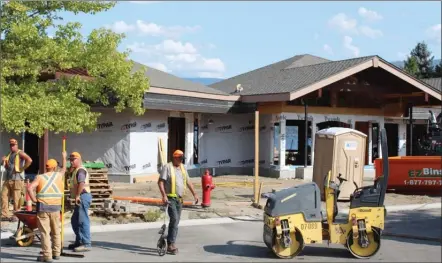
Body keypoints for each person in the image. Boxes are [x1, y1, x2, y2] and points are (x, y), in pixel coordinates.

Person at [27, 152, 67, 262]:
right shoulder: (59, 176)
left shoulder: (40, 177)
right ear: (54, 168)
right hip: (56, 208)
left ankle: (47, 256)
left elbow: (30, 188)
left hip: (43, 208)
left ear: (46, 167)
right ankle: (56, 253)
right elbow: (64, 168)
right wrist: (63, 157)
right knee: (55, 231)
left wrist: (34, 199)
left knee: (44, 233)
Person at [158, 149, 199, 254]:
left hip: (180, 200)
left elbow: (188, 181)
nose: (181, 160)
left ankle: (170, 238)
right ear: (174, 157)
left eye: (182, 158)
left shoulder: (183, 167)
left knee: (175, 222)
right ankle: (171, 244)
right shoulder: (167, 167)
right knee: (174, 219)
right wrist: (164, 196)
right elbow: (160, 182)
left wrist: (195, 194)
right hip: (170, 199)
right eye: (180, 158)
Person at [1, 138, 32, 221]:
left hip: (17, 179)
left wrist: (22, 168)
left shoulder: (20, 153)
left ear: (17, 145)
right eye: (11, 145)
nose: (12, 147)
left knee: (16, 198)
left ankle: (16, 215)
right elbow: (7, 167)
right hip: (9, 178)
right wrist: (3, 161)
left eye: (13, 145)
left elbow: (29, 160)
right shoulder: (9, 154)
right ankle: (5, 215)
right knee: (4, 196)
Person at [68, 151, 92, 252]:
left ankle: (86, 244)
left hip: (82, 196)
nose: (71, 162)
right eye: (70, 160)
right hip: (80, 197)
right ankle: (79, 241)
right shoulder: (76, 170)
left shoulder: (80, 170)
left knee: (82, 220)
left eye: (73, 160)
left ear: (79, 159)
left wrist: (77, 195)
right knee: (75, 220)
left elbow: (81, 183)